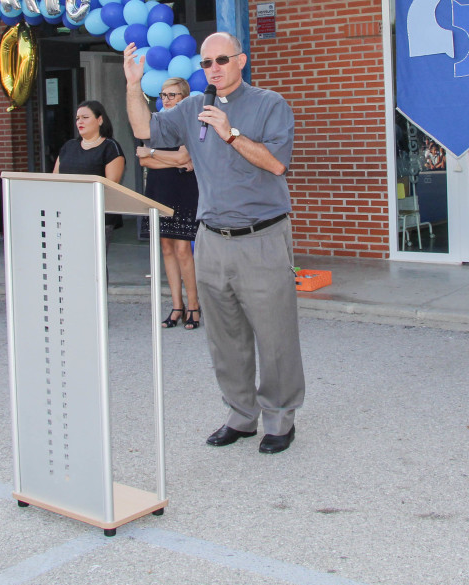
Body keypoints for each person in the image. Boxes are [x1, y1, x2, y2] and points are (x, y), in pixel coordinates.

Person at [123, 32, 302, 455]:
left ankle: (280, 418)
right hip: (212, 239)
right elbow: (144, 129)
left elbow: (277, 163)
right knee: (225, 335)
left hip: (262, 236)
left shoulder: (269, 104)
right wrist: (133, 84)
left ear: (240, 60)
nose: (213, 68)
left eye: (221, 59)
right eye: (206, 63)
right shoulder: (191, 107)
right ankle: (240, 415)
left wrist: (230, 133)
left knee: (274, 335)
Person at [135, 78, 200, 330]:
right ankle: (176, 305)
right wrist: (169, 159)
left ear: (184, 98)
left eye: (173, 95)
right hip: (158, 189)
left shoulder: (189, 122)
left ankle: (194, 305)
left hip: (184, 189)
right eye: (163, 95)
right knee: (166, 248)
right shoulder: (152, 124)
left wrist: (153, 153)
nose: (167, 99)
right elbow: (143, 162)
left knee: (184, 250)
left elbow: (185, 157)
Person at [53, 99, 126, 231]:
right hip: (68, 213)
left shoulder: (110, 147)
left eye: (85, 117)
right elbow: (55, 178)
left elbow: (110, 185)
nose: (80, 121)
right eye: (77, 118)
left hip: (98, 216)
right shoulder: (69, 146)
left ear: (99, 120)